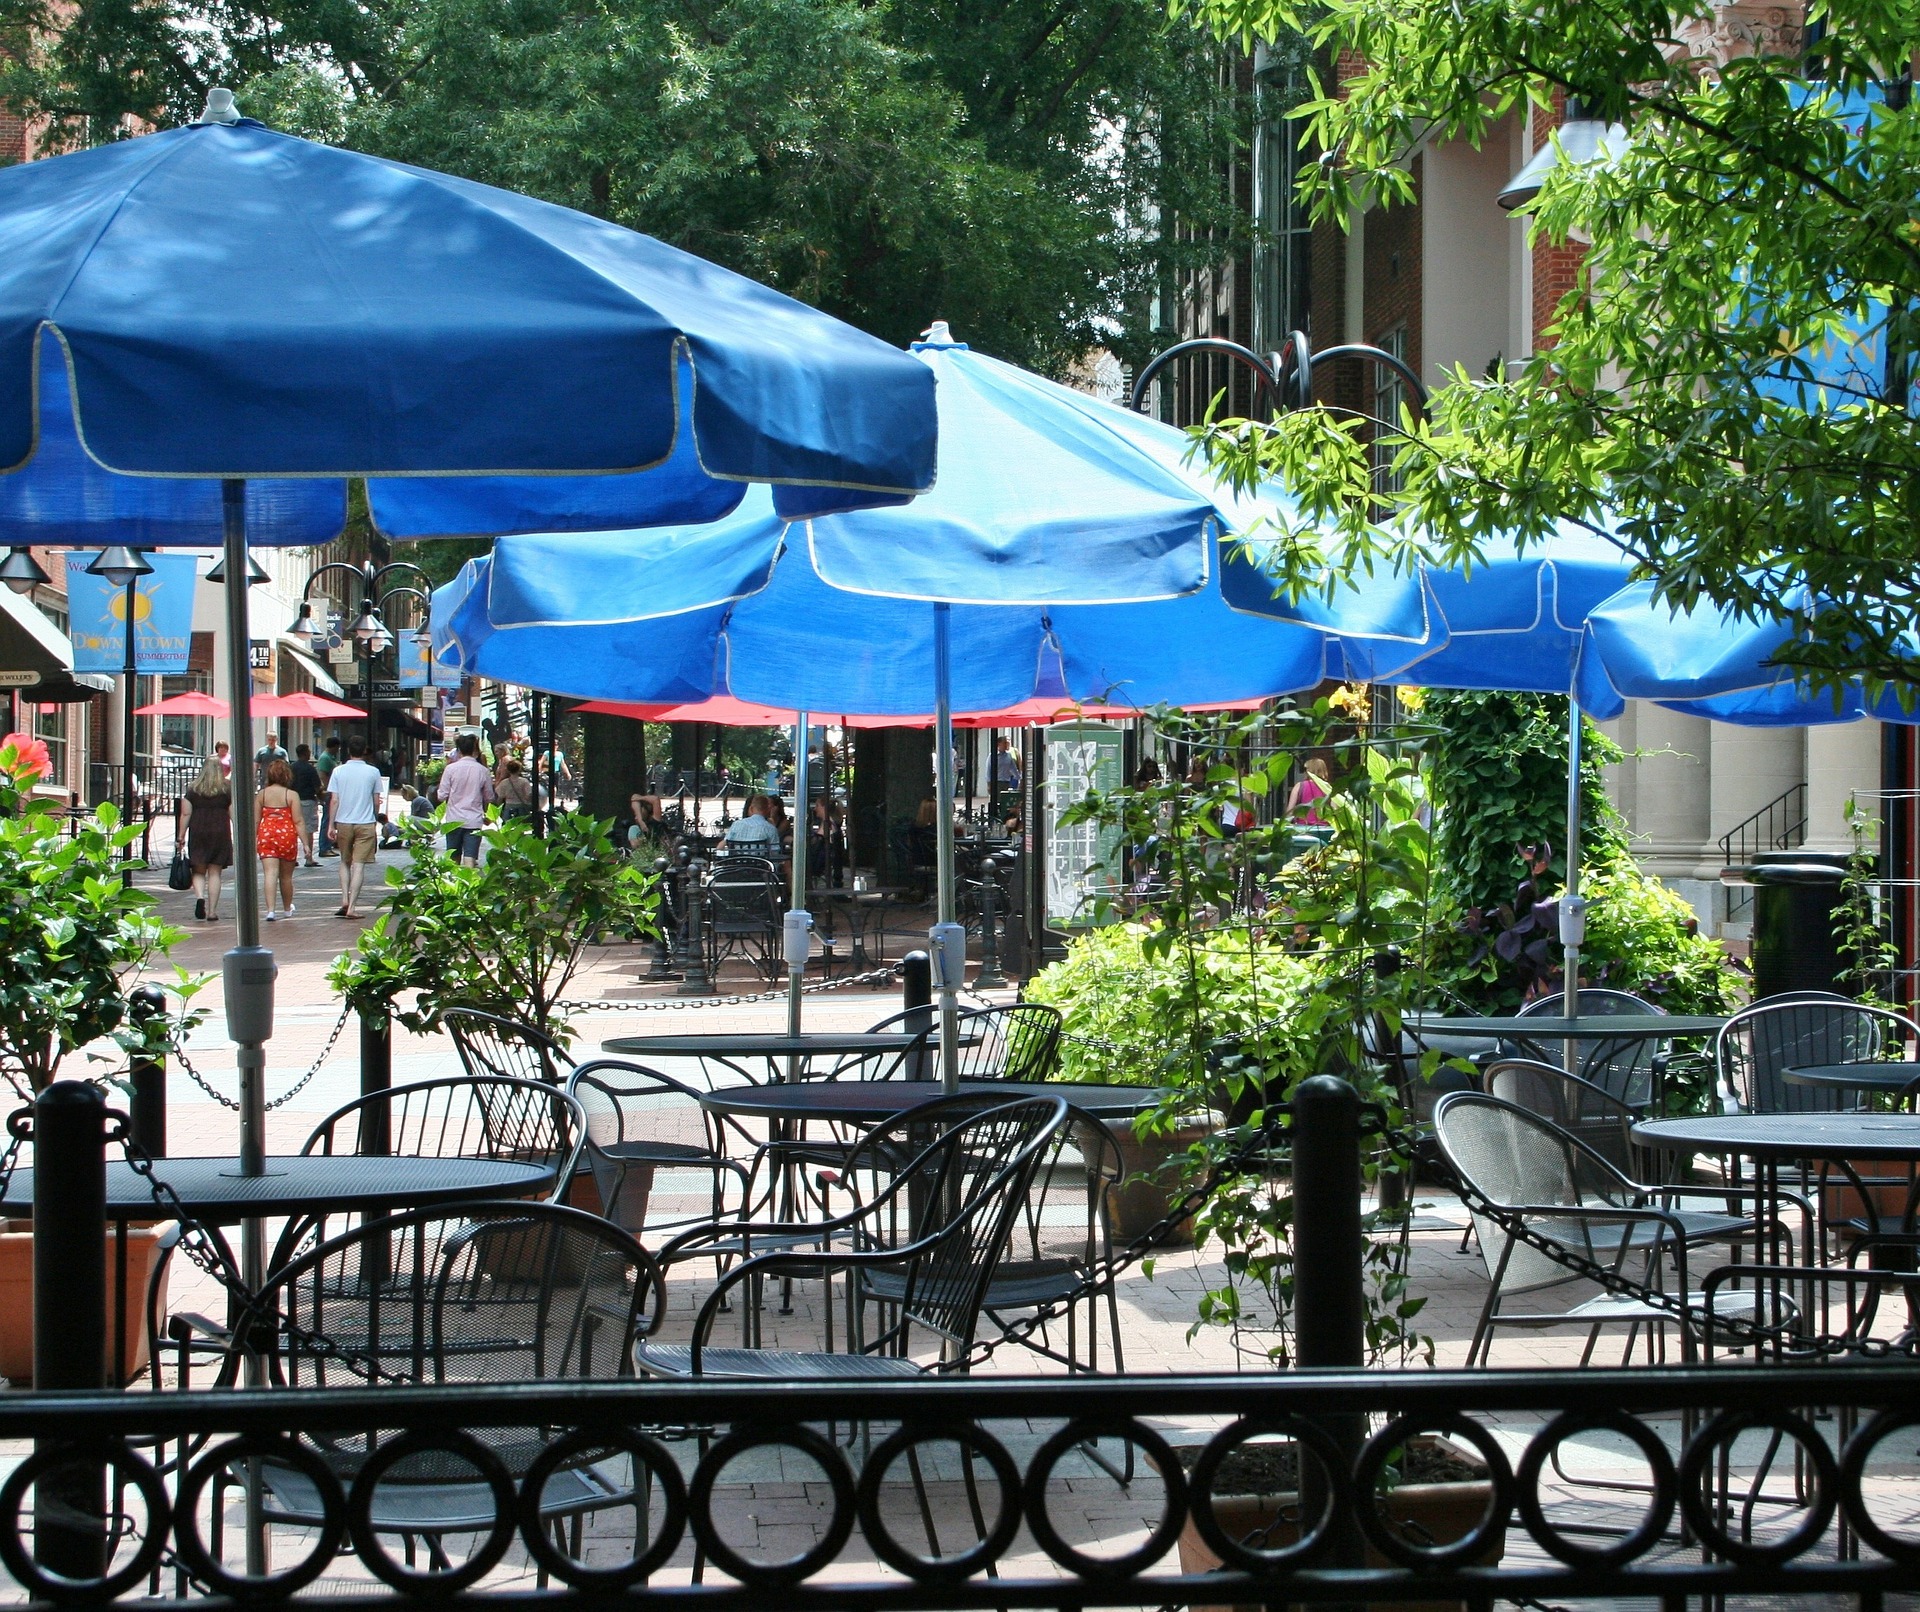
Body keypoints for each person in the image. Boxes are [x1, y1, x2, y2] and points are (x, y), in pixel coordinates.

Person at [326, 734, 384, 919]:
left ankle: (344, 899)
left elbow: (334, 800)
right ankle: (352, 906)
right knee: (358, 865)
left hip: (343, 821)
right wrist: (375, 817)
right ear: (364, 750)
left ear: (348, 750)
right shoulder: (373, 772)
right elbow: (376, 801)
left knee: (344, 861)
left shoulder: (338, 771)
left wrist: (331, 824)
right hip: (365, 822)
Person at [177, 758, 232, 923]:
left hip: (198, 832)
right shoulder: (226, 789)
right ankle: (212, 911)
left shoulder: (193, 789)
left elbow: (185, 814)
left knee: (199, 869)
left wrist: (181, 836)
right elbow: (233, 814)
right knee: (215, 872)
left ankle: (200, 897)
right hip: (220, 832)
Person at [435, 732, 495, 865]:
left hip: (453, 819)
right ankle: (469, 883)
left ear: (459, 750)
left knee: (453, 857)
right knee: (470, 857)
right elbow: (489, 797)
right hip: (474, 819)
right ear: (474, 749)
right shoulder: (482, 771)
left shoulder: (450, 769)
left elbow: (441, 796)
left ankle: (454, 884)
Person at [255, 758, 301, 921]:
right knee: (286, 876)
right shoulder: (291, 795)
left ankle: (270, 911)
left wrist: (254, 838)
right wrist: (307, 844)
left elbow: (255, 819)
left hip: (267, 834)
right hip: (286, 836)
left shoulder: (262, 795)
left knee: (270, 873)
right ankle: (287, 908)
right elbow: (298, 821)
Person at [289, 743, 323, 866]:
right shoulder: (310, 768)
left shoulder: (292, 767)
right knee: (308, 829)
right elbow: (318, 786)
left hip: (293, 801)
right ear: (305, 753)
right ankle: (308, 858)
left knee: (293, 829)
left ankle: (292, 857)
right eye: (308, 751)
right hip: (308, 801)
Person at [724, 793, 782, 858]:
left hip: (738, 864)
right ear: (768, 810)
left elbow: (725, 843)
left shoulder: (736, 824)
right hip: (761, 866)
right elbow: (775, 852)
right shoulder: (770, 828)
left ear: (751, 808)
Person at [316, 736, 341, 856]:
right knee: (327, 819)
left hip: (332, 791)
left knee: (331, 818)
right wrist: (328, 788)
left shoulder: (330, 757)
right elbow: (322, 775)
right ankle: (324, 847)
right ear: (334, 747)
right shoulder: (325, 758)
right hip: (329, 792)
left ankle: (329, 844)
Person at [1288, 756, 1331, 827]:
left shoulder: (1299, 786)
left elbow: (1290, 811)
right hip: (1324, 828)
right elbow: (1335, 810)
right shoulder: (1328, 788)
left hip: (1302, 828)